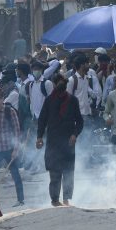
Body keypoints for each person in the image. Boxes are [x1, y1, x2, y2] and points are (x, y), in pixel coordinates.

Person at [36, 74, 83, 207]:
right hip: (53, 142)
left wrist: (75, 134)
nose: (60, 84)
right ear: (54, 84)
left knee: (68, 172)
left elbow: (79, 121)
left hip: (68, 143)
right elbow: (42, 120)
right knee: (55, 172)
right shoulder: (49, 100)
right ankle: (55, 200)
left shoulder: (73, 100)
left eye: (62, 82)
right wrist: (39, 137)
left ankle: (67, 199)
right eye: (57, 82)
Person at [0, 88, 24, 207]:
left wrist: (16, 149)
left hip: (9, 147)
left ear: (3, 99)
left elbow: (17, 131)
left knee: (15, 173)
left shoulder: (10, 111)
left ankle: (20, 199)